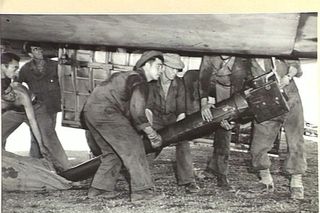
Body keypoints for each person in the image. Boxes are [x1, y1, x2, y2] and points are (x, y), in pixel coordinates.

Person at [83, 50, 165, 202]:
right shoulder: (139, 80)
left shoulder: (128, 76)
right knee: (134, 147)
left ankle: (100, 189)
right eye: (159, 66)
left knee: (112, 152)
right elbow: (137, 111)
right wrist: (152, 134)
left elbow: (128, 111)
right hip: (106, 112)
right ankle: (142, 191)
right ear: (147, 65)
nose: (162, 71)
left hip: (90, 111)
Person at [1, 52, 71, 173]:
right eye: (15, 68)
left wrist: (41, 145)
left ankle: (67, 170)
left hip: (35, 109)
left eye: (17, 68)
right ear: (3, 66)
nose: (17, 72)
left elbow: (33, 121)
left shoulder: (20, 93)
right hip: (14, 111)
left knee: (47, 139)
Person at [249, 57, 307, 199]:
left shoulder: (279, 51)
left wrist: (288, 76)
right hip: (266, 104)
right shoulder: (247, 60)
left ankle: (296, 182)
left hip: (290, 100)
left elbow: (295, 65)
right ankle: (265, 180)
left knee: (295, 141)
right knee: (259, 143)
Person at [145, 53, 200, 194]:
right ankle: (143, 181)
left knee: (183, 142)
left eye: (177, 70)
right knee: (149, 146)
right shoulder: (151, 83)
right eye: (173, 69)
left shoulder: (179, 83)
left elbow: (181, 110)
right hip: (155, 120)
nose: (175, 73)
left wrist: (179, 131)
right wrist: (151, 132)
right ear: (163, 67)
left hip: (172, 120)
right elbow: (148, 109)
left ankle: (188, 181)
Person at [199, 55, 251, 190]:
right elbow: (203, 79)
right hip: (212, 89)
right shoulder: (209, 56)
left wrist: (233, 119)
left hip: (232, 93)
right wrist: (204, 103)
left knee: (225, 129)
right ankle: (213, 168)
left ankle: (222, 173)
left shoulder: (241, 62)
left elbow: (240, 92)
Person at [17, 41, 62, 159]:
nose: (40, 51)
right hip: (36, 106)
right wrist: (25, 98)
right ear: (30, 54)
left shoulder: (54, 65)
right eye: (36, 49)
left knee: (49, 134)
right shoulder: (25, 69)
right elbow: (17, 85)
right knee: (35, 134)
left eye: (40, 48)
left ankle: (49, 160)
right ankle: (35, 160)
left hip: (52, 105)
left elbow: (65, 81)